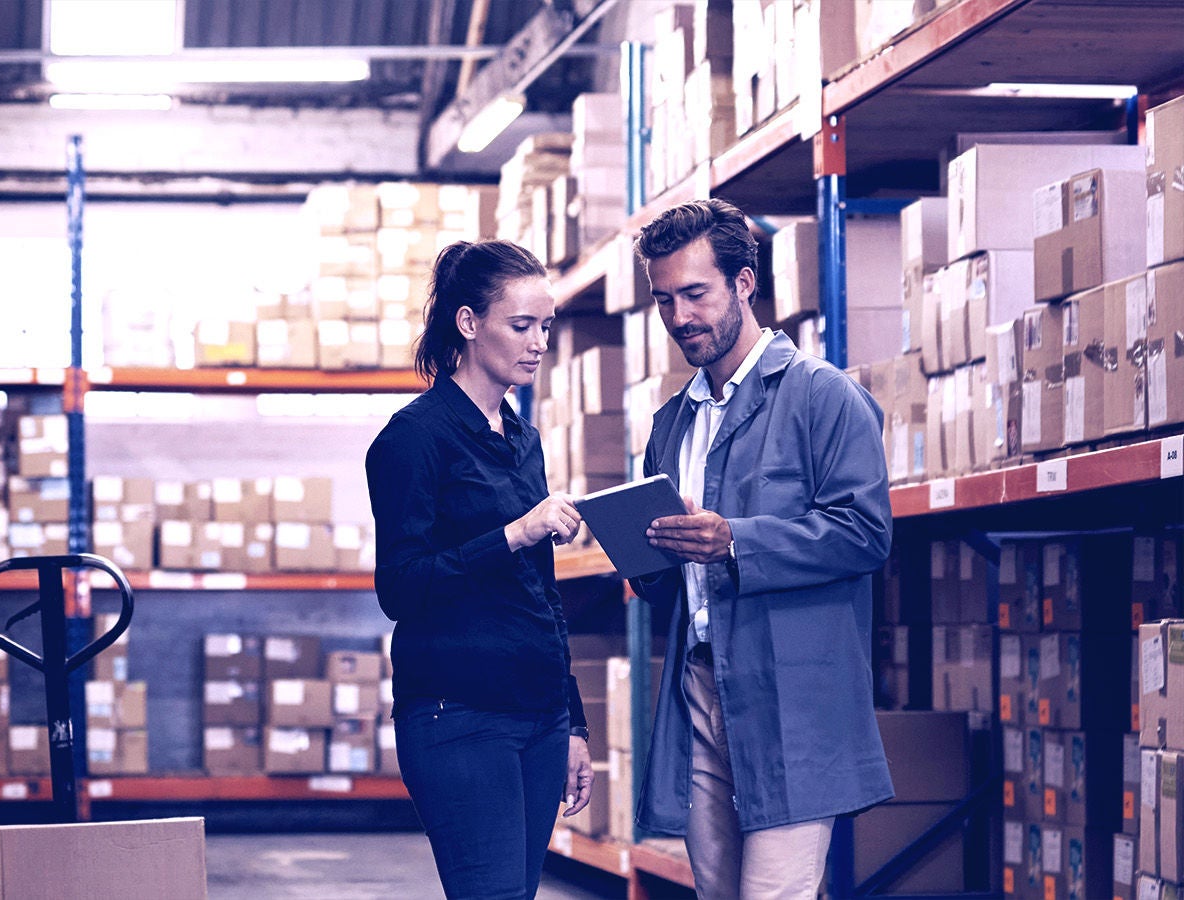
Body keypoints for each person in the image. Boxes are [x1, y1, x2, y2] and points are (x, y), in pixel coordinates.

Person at [627, 199, 894, 899]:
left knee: (774, 893)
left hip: (792, 695)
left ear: (745, 283)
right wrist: (643, 551)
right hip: (700, 687)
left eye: (696, 293)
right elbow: (671, 577)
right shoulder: (671, 424)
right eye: (665, 300)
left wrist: (734, 541)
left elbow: (865, 532)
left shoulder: (824, 397)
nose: (681, 316)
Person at [366, 239, 593, 899]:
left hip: (538, 716)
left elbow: (541, 593)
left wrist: (571, 719)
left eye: (545, 326)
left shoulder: (522, 439)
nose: (539, 342)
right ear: (468, 324)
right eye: (521, 326)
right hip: (459, 715)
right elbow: (400, 587)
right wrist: (514, 534)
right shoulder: (414, 439)